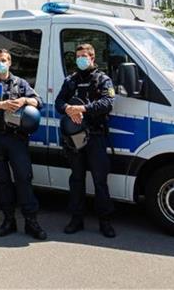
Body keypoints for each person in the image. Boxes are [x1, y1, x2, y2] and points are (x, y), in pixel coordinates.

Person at [0, 49, 47, 240]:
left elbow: (40, 102)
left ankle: (31, 222)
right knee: (3, 182)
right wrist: (1, 105)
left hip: (17, 139)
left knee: (24, 178)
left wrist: (24, 100)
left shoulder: (20, 83)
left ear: (10, 62)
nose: (0, 63)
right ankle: (8, 221)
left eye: (4, 60)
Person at [54, 43, 117, 238]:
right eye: (78, 56)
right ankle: (76, 219)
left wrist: (83, 109)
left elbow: (107, 103)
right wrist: (68, 109)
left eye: (84, 56)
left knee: (100, 181)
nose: (81, 59)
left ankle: (105, 222)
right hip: (75, 138)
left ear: (92, 57)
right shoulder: (70, 80)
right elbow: (58, 102)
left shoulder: (103, 79)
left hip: (96, 136)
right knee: (76, 179)